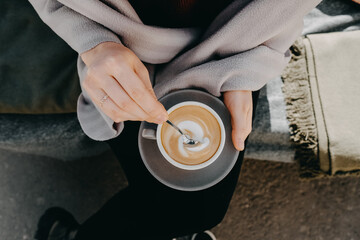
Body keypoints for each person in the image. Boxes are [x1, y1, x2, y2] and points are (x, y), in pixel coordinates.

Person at [28, 0, 321, 239]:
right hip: (124, 49)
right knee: (185, 209)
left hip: (236, 49)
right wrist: (95, 44)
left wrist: (246, 67)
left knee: (203, 208)